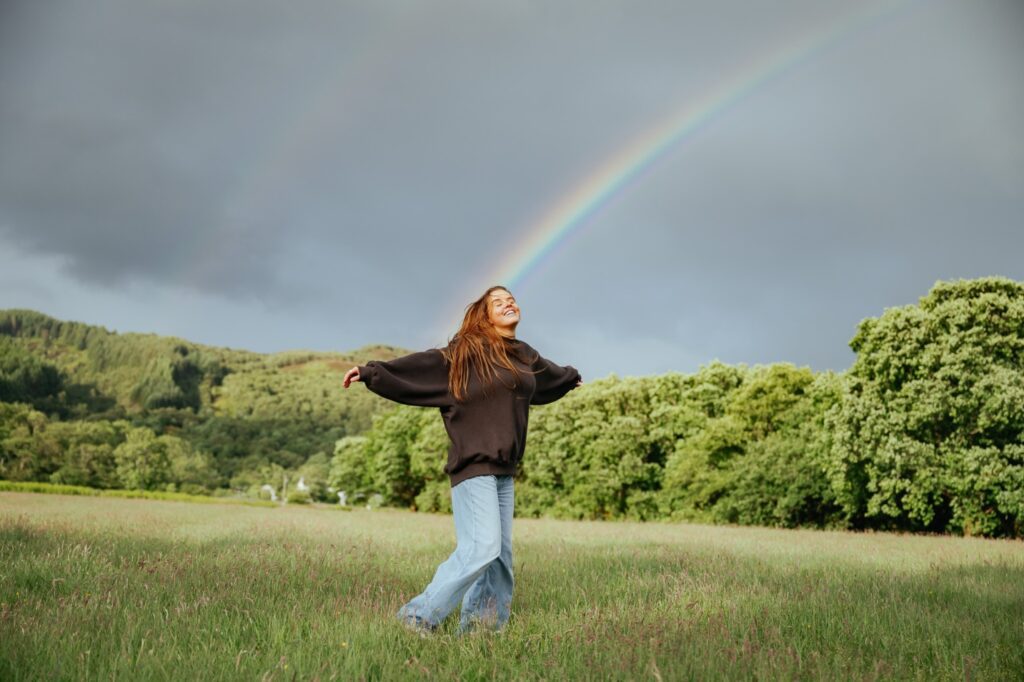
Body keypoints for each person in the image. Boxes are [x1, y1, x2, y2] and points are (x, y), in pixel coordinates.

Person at [342, 285, 581, 636]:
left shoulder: (523, 355)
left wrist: (570, 377)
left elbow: (547, 378)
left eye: (510, 299)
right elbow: (419, 367)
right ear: (483, 316)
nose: (508, 303)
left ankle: (479, 633)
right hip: (473, 467)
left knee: (499, 556)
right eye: (497, 302)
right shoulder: (465, 354)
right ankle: (417, 617)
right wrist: (370, 372)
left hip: (505, 470)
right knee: (482, 546)